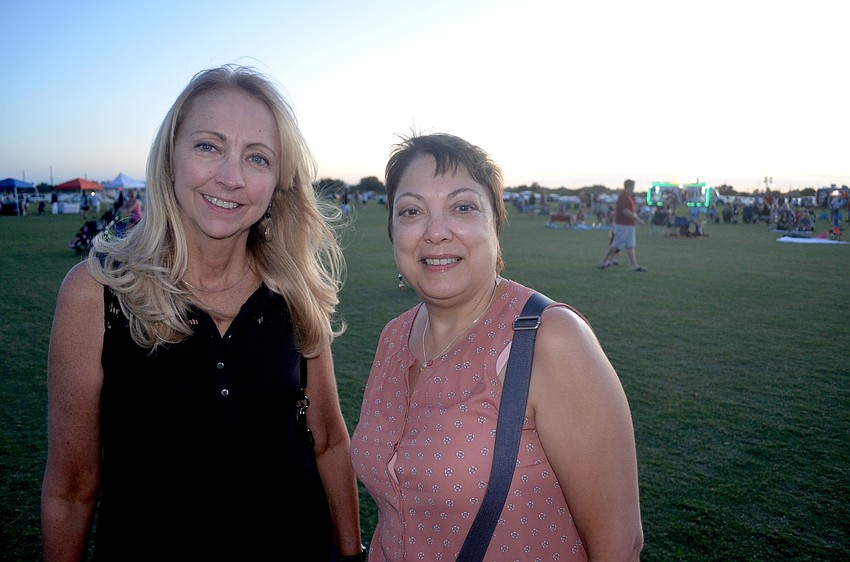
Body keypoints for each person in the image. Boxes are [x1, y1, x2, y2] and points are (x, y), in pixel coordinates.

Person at [41, 64, 365, 562]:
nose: (231, 178)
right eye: (208, 146)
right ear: (170, 157)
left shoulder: (296, 292)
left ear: (278, 182)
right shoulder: (95, 293)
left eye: (257, 158)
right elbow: (71, 487)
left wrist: (351, 554)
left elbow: (328, 441)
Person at [350, 133, 643, 560]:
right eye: (412, 211)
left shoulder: (550, 340)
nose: (435, 232)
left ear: (495, 223)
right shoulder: (394, 337)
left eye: (463, 207)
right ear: (393, 229)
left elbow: (619, 547)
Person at [598, 178, 646, 271]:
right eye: (633, 186)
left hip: (628, 225)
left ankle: (634, 265)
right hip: (623, 225)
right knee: (616, 244)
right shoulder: (623, 196)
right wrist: (638, 219)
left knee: (630, 245)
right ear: (629, 186)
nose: (634, 188)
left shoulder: (627, 196)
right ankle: (603, 261)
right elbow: (626, 211)